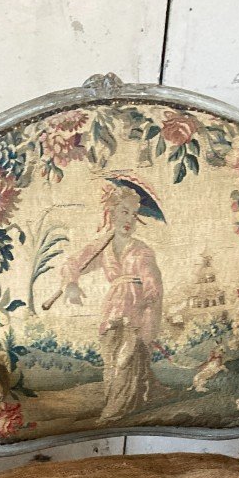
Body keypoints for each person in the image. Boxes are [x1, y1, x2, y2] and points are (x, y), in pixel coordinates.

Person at [48, 179, 165, 422]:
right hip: (112, 310)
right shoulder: (103, 248)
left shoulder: (142, 251)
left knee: (126, 359)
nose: (130, 220)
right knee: (111, 361)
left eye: (134, 215)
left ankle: (115, 413)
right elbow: (74, 263)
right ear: (111, 214)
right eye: (124, 212)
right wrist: (70, 284)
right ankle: (120, 404)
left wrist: (144, 312)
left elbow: (154, 287)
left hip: (137, 312)